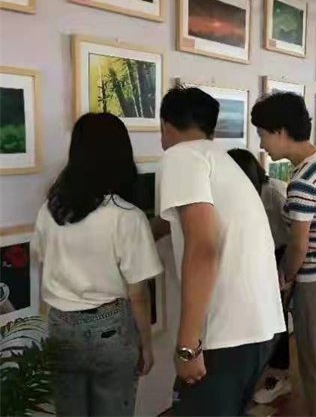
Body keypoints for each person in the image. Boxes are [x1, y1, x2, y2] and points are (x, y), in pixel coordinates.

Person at [154, 86, 285, 416]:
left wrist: (188, 344)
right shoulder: (221, 159)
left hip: (227, 333)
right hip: (258, 326)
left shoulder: (180, 157)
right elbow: (178, 222)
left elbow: (203, 247)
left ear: (166, 126)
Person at [31, 113, 163, 416]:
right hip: (110, 328)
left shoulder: (50, 210)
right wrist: (146, 343)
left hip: (60, 325)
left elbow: (41, 259)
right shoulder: (126, 216)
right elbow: (138, 293)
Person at [251, 92, 316, 416]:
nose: (262, 144)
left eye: (263, 134)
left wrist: (283, 278)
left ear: (280, 131)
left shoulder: (304, 180)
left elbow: (298, 245)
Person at [227, 149, 293, 404]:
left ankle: (279, 374)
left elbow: (297, 235)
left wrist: (287, 272)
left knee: (277, 315)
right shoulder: (238, 194)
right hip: (257, 254)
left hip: (282, 254)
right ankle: (262, 369)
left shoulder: (275, 192)